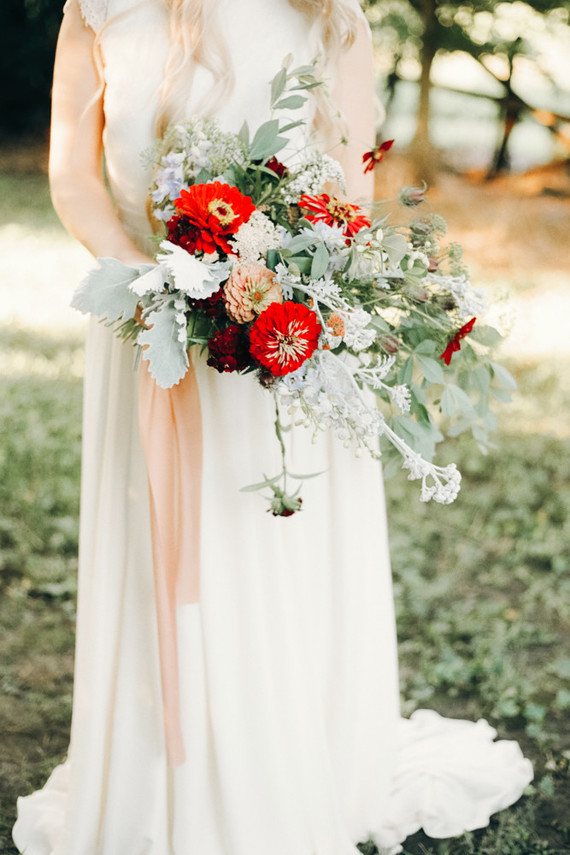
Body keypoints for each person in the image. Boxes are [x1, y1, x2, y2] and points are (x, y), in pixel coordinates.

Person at [13, 1, 533, 853]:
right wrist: (153, 283)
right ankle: (159, 779)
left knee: (267, 546)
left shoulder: (328, 14)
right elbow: (72, 173)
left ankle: (290, 767)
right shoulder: (98, 7)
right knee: (162, 565)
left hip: (276, 334)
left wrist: (258, 285)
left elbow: (348, 186)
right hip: (145, 320)